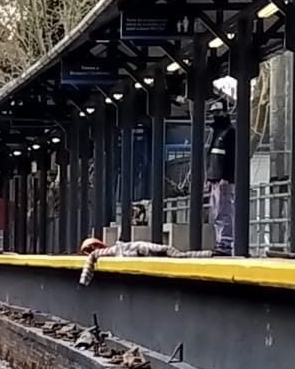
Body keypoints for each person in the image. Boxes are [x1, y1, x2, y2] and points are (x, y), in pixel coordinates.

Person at [78, 237, 213, 286]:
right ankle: (209, 253)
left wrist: (84, 280)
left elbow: (91, 258)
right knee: (179, 255)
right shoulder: (108, 252)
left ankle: (209, 253)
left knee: (178, 255)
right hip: (142, 250)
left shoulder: (109, 251)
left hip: (143, 249)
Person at [207, 100, 236, 256]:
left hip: (223, 180)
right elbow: (212, 158)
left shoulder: (229, 132)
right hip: (215, 179)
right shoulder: (217, 133)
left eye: (218, 112)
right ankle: (221, 243)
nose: (215, 116)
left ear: (225, 112)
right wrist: (210, 178)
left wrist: (226, 177)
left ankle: (224, 244)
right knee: (216, 212)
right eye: (214, 113)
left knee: (223, 212)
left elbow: (231, 157)